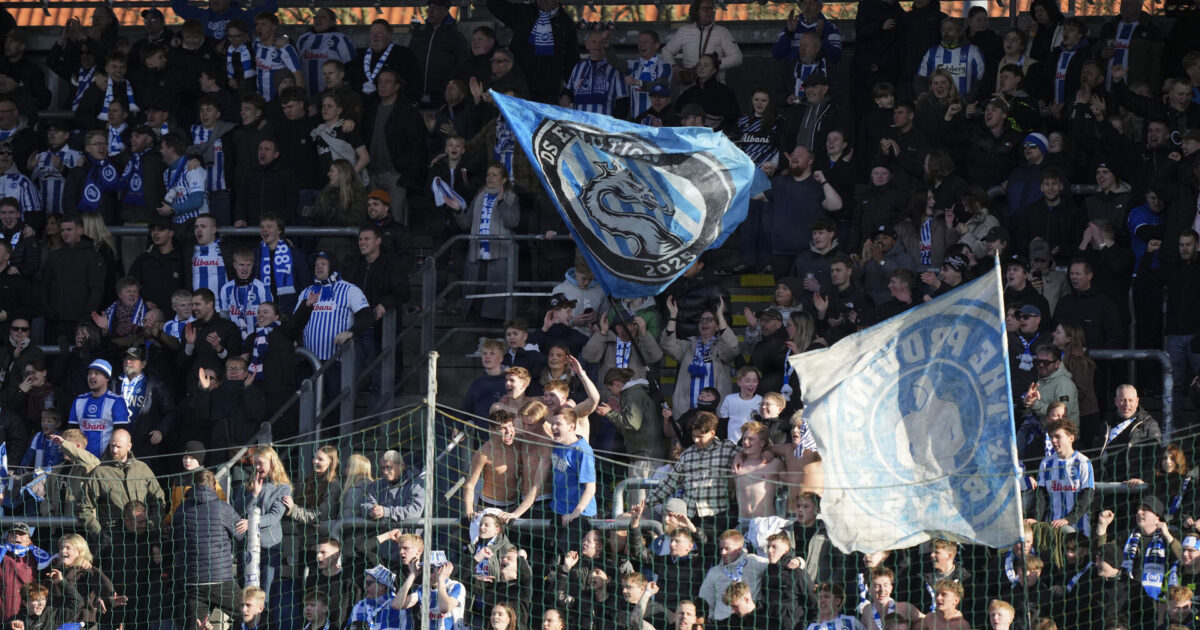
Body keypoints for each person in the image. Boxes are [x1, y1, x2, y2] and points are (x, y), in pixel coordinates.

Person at [362, 68, 426, 225]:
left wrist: (406, 173)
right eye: (380, 82)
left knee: (396, 221)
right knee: (373, 220)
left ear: (397, 86)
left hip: (396, 176)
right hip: (372, 174)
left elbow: (416, 146)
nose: (382, 85)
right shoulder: (371, 109)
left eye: (388, 82)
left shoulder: (408, 112)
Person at [231, 445, 292, 609]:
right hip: (247, 545)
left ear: (272, 463)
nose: (257, 467)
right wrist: (254, 495)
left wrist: (251, 523)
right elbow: (236, 509)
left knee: (266, 592)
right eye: (255, 463)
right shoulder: (248, 485)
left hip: (269, 546)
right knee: (246, 592)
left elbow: (273, 517)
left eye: (261, 463)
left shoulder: (283, 487)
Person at [485, 0, 577, 104]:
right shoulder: (522, 13)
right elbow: (495, 5)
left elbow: (572, 63)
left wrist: (567, 93)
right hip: (517, 88)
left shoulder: (567, 24)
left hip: (548, 94)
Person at [662, 295, 738, 415]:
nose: (704, 323)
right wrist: (673, 317)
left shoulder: (721, 346)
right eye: (702, 320)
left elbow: (731, 347)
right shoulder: (688, 345)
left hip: (714, 410)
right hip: (687, 409)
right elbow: (668, 346)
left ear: (717, 326)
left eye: (709, 320)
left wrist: (720, 316)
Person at [661, 0, 742, 86]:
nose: (710, 12)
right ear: (696, 11)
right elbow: (666, 51)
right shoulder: (684, 31)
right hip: (689, 88)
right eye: (705, 9)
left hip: (715, 87)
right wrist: (674, 68)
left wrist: (714, 64)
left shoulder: (722, 32)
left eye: (712, 9)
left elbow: (737, 57)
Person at [1035, 418, 1094, 535]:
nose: (1053, 441)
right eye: (1051, 437)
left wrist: (1068, 519)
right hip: (1052, 526)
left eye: (1057, 436)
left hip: (1078, 528)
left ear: (1071, 438)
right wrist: (1036, 519)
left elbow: (1087, 496)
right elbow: (1041, 497)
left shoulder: (1083, 462)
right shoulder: (1046, 463)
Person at [463, 410, 521, 519]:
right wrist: (469, 513)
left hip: (514, 507)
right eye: (503, 428)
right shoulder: (483, 453)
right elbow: (469, 485)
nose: (509, 431)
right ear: (492, 430)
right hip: (489, 506)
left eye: (510, 426)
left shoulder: (519, 446)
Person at [347, 565, 404, 630]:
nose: (365, 586)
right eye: (365, 582)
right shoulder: (359, 606)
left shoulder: (397, 605)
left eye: (369, 583)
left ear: (382, 586)